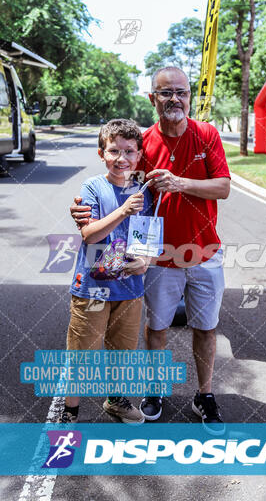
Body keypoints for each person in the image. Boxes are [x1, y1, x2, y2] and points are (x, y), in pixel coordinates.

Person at [71, 66, 230, 431]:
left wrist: (180, 182)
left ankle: (203, 395)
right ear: (152, 98)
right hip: (156, 254)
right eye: (165, 92)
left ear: (189, 96)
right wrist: (82, 207)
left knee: (206, 328)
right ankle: (155, 390)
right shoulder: (142, 142)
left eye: (181, 92)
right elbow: (115, 178)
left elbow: (222, 187)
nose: (175, 99)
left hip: (205, 251)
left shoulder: (207, 135)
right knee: (156, 327)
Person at [61, 118, 153, 424]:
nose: (121, 158)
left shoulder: (145, 192)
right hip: (93, 287)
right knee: (82, 354)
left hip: (129, 288)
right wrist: (124, 209)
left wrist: (145, 261)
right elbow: (90, 235)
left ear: (139, 155)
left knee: (122, 352)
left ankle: (115, 400)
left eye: (129, 151)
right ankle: (70, 411)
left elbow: (146, 237)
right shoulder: (93, 187)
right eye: (114, 151)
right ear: (102, 153)